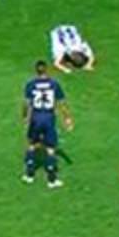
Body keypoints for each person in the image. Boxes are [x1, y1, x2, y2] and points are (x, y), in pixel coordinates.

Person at [21, 61, 73, 189]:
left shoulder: (31, 84)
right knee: (50, 148)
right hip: (49, 117)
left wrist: (25, 117)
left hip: (36, 117)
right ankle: (52, 180)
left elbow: (26, 103)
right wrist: (67, 118)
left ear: (36, 71)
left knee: (32, 145)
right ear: (47, 70)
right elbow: (61, 103)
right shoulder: (54, 84)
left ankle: (29, 175)